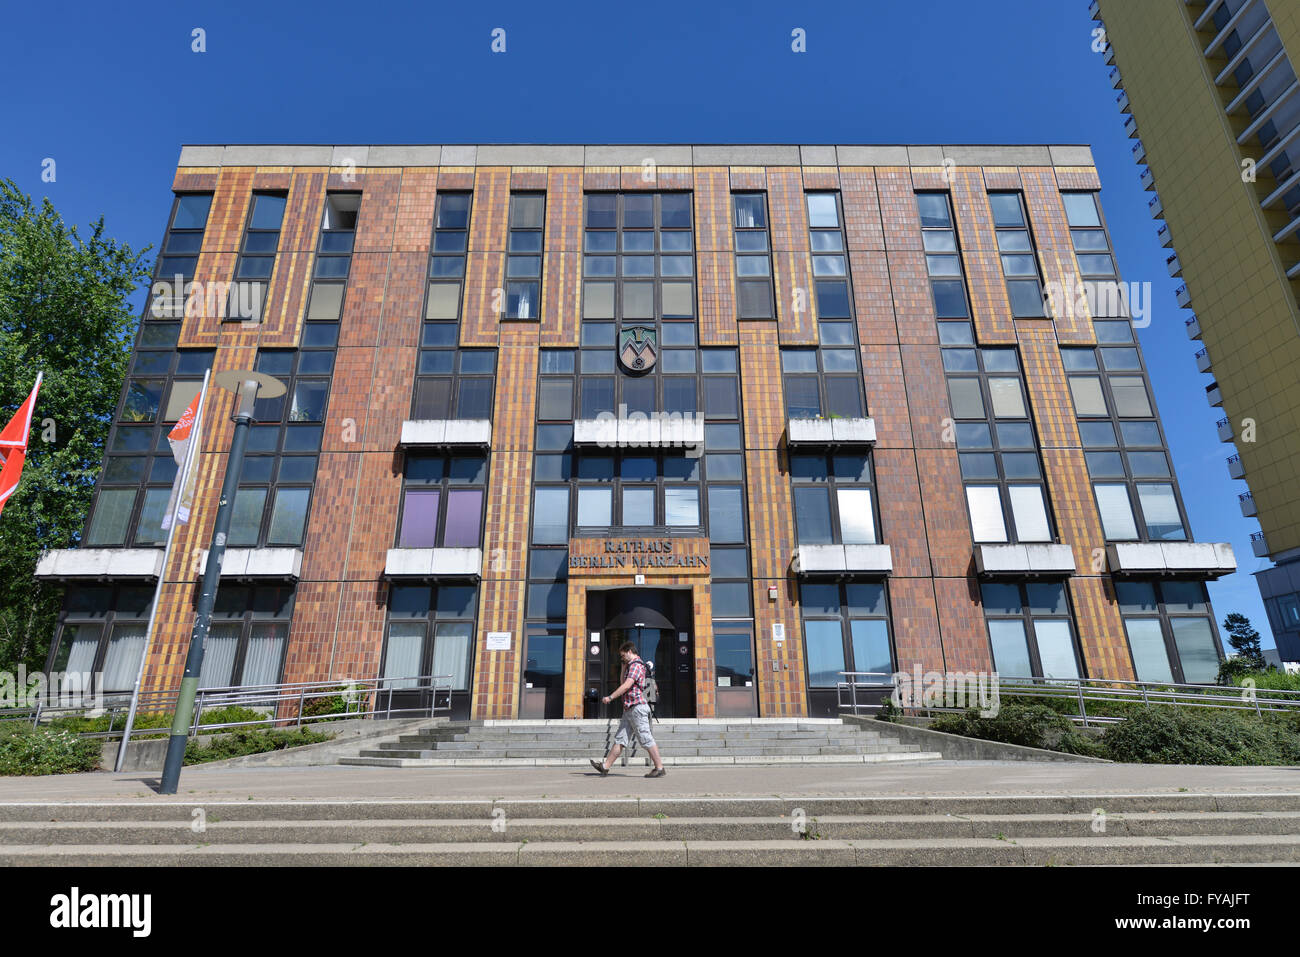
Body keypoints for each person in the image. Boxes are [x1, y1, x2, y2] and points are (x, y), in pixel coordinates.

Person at [591, 642, 666, 777]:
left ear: (630, 651)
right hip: (629, 709)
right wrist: (623, 668)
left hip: (637, 708)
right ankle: (605, 767)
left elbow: (626, 686)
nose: (622, 658)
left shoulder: (637, 665)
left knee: (645, 738)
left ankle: (659, 768)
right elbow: (623, 683)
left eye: (623, 655)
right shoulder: (630, 666)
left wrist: (610, 697)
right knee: (621, 739)